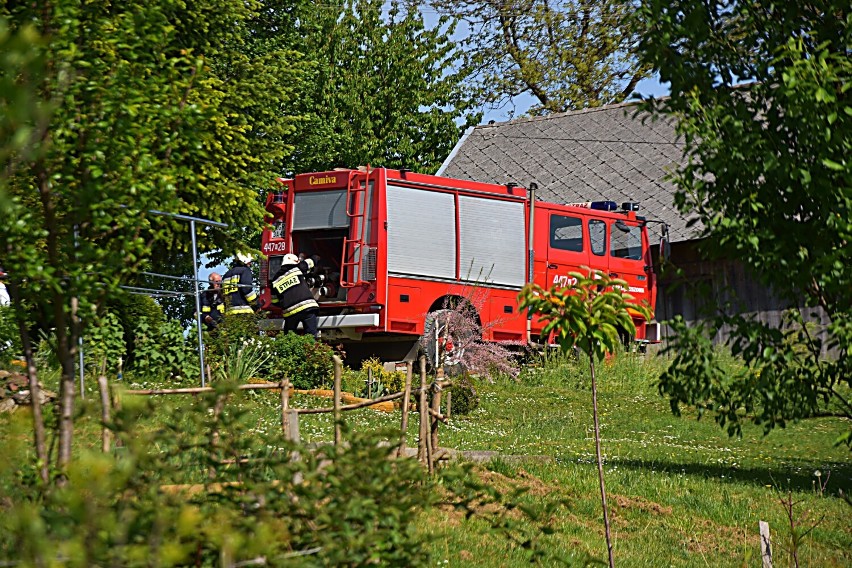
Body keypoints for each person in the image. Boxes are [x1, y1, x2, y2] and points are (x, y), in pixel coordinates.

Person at [270, 253, 320, 338]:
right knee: (311, 336)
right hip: (307, 307)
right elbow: (313, 260)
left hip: (290, 313)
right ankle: (311, 349)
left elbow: (275, 301)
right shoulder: (297, 268)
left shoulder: (274, 280)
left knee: (289, 337)